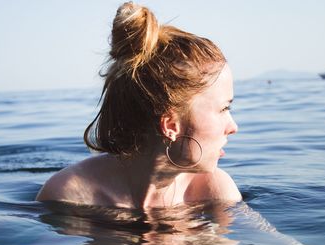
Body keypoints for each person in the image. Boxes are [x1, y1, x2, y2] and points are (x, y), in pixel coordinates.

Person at [36, 2, 241, 209]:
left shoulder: (214, 190)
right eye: (224, 109)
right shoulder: (68, 194)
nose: (233, 127)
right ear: (170, 126)